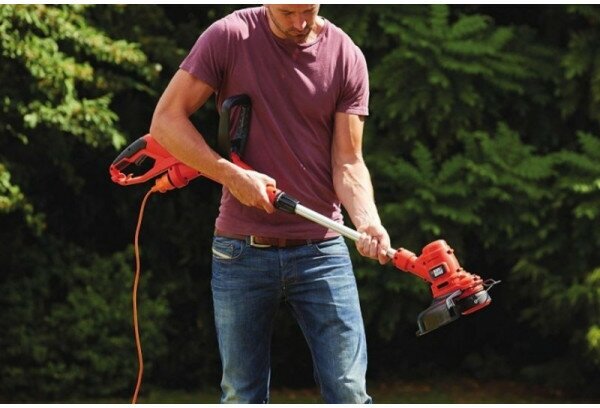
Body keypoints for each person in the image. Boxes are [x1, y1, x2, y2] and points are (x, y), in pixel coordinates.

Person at [150, 4, 390, 404]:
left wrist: (367, 220)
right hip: (240, 250)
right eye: (287, 12)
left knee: (349, 391)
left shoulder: (345, 55)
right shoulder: (229, 37)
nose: (300, 23)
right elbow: (166, 120)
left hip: (322, 249)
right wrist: (230, 174)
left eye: (308, 10)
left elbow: (348, 160)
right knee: (240, 395)